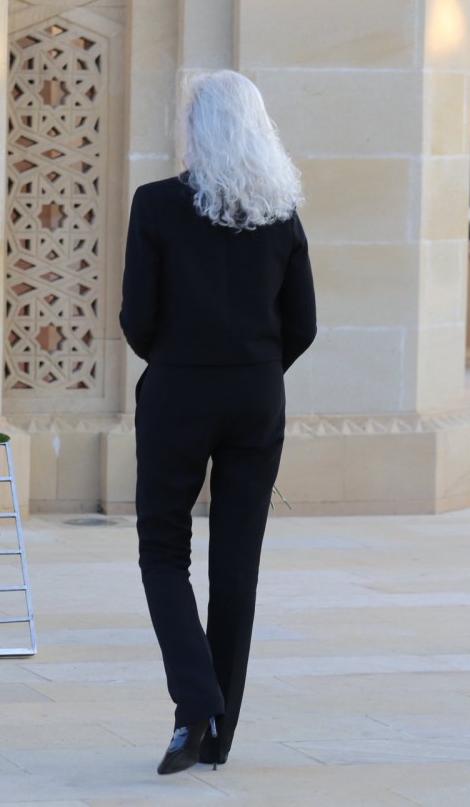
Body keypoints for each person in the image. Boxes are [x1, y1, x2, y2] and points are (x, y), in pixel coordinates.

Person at [119, 70, 316, 775]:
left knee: (162, 551)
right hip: (257, 395)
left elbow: (137, 320)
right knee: (237, 563)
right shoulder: (280, 214)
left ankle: (196, 702)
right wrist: (254, 367)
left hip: (178, 390)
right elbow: (303, 324)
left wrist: (181, 360)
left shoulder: (156, 204)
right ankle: (218, 733)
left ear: (195, 130)